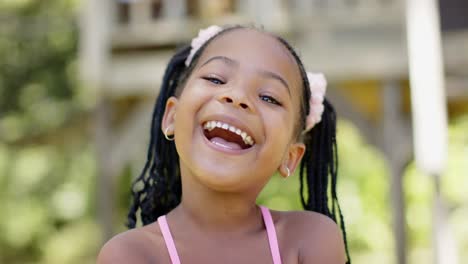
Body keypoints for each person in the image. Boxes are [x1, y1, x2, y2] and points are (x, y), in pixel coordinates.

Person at [97, 25, 351, 264]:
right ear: (172, 117)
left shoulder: (309, 240)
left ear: (290, 157)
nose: (237, 97)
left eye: (268, 97)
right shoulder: (131, 254)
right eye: (216, 79)